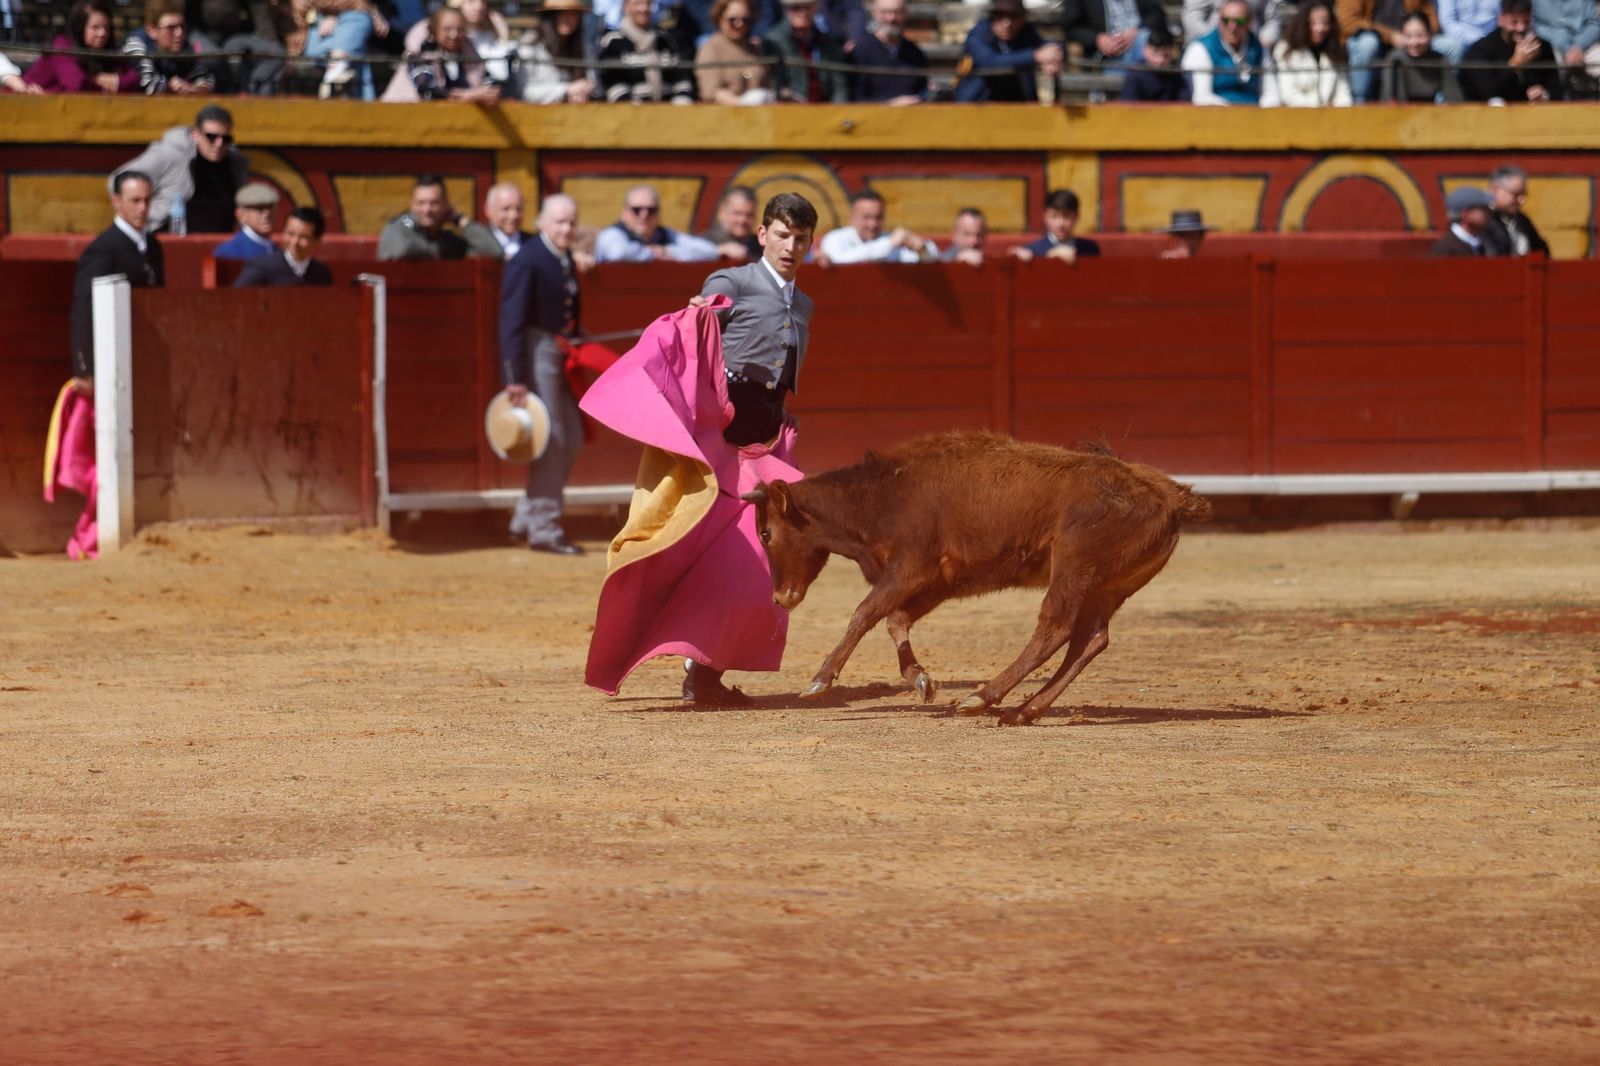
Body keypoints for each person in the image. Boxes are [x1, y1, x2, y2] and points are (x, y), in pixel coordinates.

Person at [678, 191, 820, 704]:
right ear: (762, 235)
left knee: (763, 557)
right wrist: (698, 314)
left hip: (765, 442)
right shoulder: (731, 282)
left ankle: (705, 669)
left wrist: (782, 415)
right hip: (724, 444)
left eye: (800, 239)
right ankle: (702, 669)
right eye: (782, 235)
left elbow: (778, 375)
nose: (790, 246)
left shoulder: (802, 303)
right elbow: (698, 342)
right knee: (734, 557)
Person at [499, 194, 586, 555]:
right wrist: (515, 376)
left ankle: (526, 517)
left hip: (558, 349)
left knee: (573, 436)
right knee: (552, 440)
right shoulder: (529, 259)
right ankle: (545, 528)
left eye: (570, 222)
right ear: (542, 223)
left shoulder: (560, 256)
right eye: (559, 222)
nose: (566, 228)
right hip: (537, 352)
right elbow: (512, 321)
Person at [72, 171, 166, 394]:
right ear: (117, 201)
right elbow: (84, 309)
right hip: (111, 354)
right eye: (135, 201)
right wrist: (84, 368)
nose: (142, 208)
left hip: (146, 352)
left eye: (147, 200)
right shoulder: (103, 249)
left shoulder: (153, 247)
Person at [110, 104, 246, 234]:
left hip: (219, 245)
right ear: (195, 134)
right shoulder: (171, 155)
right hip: (169, 243)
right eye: (211, 137)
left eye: (226, 138)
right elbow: (117, 179)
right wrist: (143, 212)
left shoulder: (234, 162)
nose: (219, 144)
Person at [1338, 0, 1456, 102]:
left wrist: (1418, 34)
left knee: (1451, 46)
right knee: (1367, 44)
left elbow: (1430, 17)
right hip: (1376, 40)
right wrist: (1389, 36)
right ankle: (1360, 101)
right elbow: (1348, 22)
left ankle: (1445, 102)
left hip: (1409, 37)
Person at [382, 5, 499, 101]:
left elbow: (489, 82)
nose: (454, 35)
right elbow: (428, 92)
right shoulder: (419, 54)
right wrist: (468, 95)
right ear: (435, 30)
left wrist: (489, 92)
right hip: (403, 117)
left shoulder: (470, 54)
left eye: (460, 29)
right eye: (447, 30)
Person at [23, 0, 140, 94]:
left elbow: (134, 80)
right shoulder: (61, 45)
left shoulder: (109, 49)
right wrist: (105, 86)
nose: (103, 33)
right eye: (95, 28)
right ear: (80, 28)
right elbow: (77, 85)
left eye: (106, 27)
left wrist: (96, 79)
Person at [954, 0, 1061, 102]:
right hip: (978, 107)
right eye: (1000, 15)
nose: (1007, 23)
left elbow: (1049, 46)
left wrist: (1053, 57)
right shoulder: (978, 34)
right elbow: (989, 61)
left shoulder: (1026, 32)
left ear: (1023, 18)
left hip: (1019, 107)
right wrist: (1036, 56)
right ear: (992, 17)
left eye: (1014, 16)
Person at [1460, 0, 1561, 101]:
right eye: (1514, 22)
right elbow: (1488, 93)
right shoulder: (1480, 51)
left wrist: (1545, 95)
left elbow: (1557, 89)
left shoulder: (1543, 48)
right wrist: (1514, 65)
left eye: (1526, 22)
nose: (1521, 28)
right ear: (1500, 20)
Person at [596, 0, 694, 103]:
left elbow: (681, 78)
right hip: (631, 113)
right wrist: (638, 110)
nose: (644, 9)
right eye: (638, 4)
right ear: (626, 7)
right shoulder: (613, 41)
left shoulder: (665, 40)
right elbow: (611, 82)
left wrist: (681, 102)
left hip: (669, 111)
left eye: (648, 4)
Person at [594, 185, 720, 262]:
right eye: (637, 210)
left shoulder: (667, 234)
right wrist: (651, 252)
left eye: (651, 210)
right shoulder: (611, 234)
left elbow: (709, 251)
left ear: (658, 213)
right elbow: (617, 253)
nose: (644, 215)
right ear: (624, 213)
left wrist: (667, 251)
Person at [185, 0, 286, 95]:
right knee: (212, 58)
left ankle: (256, 98)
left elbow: (261, 17)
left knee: (275, 54)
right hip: (199, 32)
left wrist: (273, 45)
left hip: (234, 35)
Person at [1262, 1, 1352, 106]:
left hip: (1332, 117)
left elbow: (1343, 92)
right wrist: (1320, 106)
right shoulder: (1286, 51)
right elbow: (1289, 96)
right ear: (1303, 23)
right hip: (1299, 116)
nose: (1320, 28)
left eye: (1325, 23)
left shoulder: (1336, 51)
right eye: (1313, 23)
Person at [300, 0, 389, 99]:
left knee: (356, 26)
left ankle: (337, 66)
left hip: (338, 33)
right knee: (358, 22)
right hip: (312, 38)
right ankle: (337, 65)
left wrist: (335, 15)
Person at [122, 0, 216, 94]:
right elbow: (148, 85)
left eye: (182, 26)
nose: (179, 33)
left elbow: (205, 81)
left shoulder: (185, 46)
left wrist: (191, 89)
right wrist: (175, 87)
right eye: (171, 28)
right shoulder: (136, 43)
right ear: (152, 30)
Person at [1183, 0, 1266, 105]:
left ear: (1249, 22)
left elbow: (1271, 93)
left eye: (1239, 21)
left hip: (1255, 115)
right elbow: (1202, 97)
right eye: (1226, 21)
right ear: (1218, 21)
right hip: (1215, 117)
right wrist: (1236, 113)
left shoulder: (1259, 48)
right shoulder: (1200, 49)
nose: (1232, 27)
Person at [816, 189, 932, 264]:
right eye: (867, 217)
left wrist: (922, 250)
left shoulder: (891, 240)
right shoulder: (835, 238)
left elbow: (932, 260)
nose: (873, 224)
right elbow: (839, 261)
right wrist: (890, 244)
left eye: (878, 217)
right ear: (851, 218)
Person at [766, 0, 849, 101]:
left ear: (816, 9)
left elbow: (839, 86)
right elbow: (772, 84)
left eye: (807, 7)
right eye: (796, 8)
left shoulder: (829, 44)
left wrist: (837, 113)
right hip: (789, 110)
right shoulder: (773, 42)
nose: (802, 13)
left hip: (826, 111)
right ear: (786, 11)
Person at [848, 0, 928, 103]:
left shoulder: (915, 53)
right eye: (885, 12)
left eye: (897, 12)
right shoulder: (860, 52)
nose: (891, 18)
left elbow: (921, 91)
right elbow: (854, 99)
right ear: (874, 14)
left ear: (905, 14)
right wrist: (890, 104)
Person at [518, 0, 597, 104]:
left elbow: (594, 82)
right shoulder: (529, 46)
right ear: (549, 17)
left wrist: (584, 89)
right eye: (562, 14)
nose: (568, 19)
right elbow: (525, 92)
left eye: (573, 14)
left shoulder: (584, 47)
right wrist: (566, 90)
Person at [695, 0, 774, 104]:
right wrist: (742, 103)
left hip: (758, 115)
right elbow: (711, 92)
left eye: (745, 19)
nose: (739, 24)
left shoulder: (754, 49)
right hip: (723, 115)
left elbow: (765, 84)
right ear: (719, 18)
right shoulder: (710, 48)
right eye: (732, 20)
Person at [377, 174, 472, 260]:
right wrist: (437, 249)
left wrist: (461, 220)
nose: (427, 210)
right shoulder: (404, 222)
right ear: (412, 205)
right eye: (421, 203)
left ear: (446, 205)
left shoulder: (446, 237)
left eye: (434, 203)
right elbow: (404, 248)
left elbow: (484, 247)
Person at [234, 207, 334, 286]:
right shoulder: (261, 267)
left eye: (303, 237)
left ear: (316, 240)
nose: (294, 242)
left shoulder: (321, 273)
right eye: (290, 234)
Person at [1060, 0, 1169, 70]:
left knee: (1147, 41)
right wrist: (1098, 39)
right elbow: (1072, 28)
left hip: (1141, 45)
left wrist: (1136, 31)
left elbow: (1157, 15)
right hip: (1106, 55)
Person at [1380, 10, 1464, 100]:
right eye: (1408, 36)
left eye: (1420, 35)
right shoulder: (1395, 60)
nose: (1414, 42)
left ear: (1430, 35)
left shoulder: (1440, 60)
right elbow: (1391, 99)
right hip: (1399, 111)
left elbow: (1454, 98)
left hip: (1428, 111)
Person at [1012, 189, 1101, 262]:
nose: (1060, 223)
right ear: (1045, 217)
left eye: (1066, 216)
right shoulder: (1031, 251)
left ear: (1076, 217)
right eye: (1054, 216)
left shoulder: (1090, 249)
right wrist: (1048, 257)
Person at [1482, 163, 1550, 257]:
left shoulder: (1522, 220)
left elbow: (1541, 251)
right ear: (1495, 190)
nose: (1522, 200)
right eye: (1516, 194)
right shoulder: (1482, 220)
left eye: (1523, 194)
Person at [1119, 22, 1192, 100]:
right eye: (1155, 54)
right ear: (1145, 51)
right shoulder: (1136, 76)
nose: (1160, 60)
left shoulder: (1176, 76)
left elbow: (1184, 105)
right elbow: (1128, 108)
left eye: (1165, 55)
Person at [1531, 0, 1600, 80]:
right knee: (1546, 66)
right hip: (1552, 45)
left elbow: (1595, 23)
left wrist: (1579, 46)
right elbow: (1534, 25)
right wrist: (1565, 46)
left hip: (1584, 45)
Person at [463, 182, 531, 259]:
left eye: (519, 209)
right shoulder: (477, 244)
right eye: (506, 209)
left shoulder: (533, 244)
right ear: (488, 210)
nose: (514, 215)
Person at [212, 183, 280, 261]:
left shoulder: (276, 249)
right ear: (241, 215)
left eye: (270, 208)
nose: (266, 214)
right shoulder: (231, 252)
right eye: (259, 209)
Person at [699, 186, 763, 261]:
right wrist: (717, 251)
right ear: (721, 212)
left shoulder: (761, 245)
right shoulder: (704, 243)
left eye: (749, 215)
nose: (742, 220)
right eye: (737, 213)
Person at [1184, 0, 1282, 48]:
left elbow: (1272, 18)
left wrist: (1266, 40)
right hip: (1212, 47)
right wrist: (1214, 42)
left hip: (1254, 47)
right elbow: (1193, 17)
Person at [1430, 186, 1496, 256]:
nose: (1490, 212)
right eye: (1484, 208)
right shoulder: (1445, 250)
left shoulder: (1478, 245)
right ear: (1466, 215)